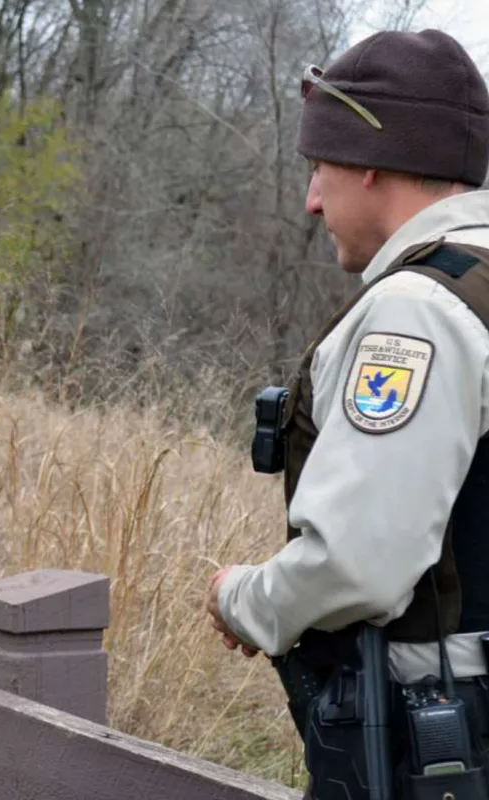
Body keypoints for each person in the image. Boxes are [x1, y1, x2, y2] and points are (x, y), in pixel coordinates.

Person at [205, 28, 489, 794]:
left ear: (371, 167)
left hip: (441, 736)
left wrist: (246, 599)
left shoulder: (418, 313)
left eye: (320, 168)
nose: (311, 199)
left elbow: (357, 564)